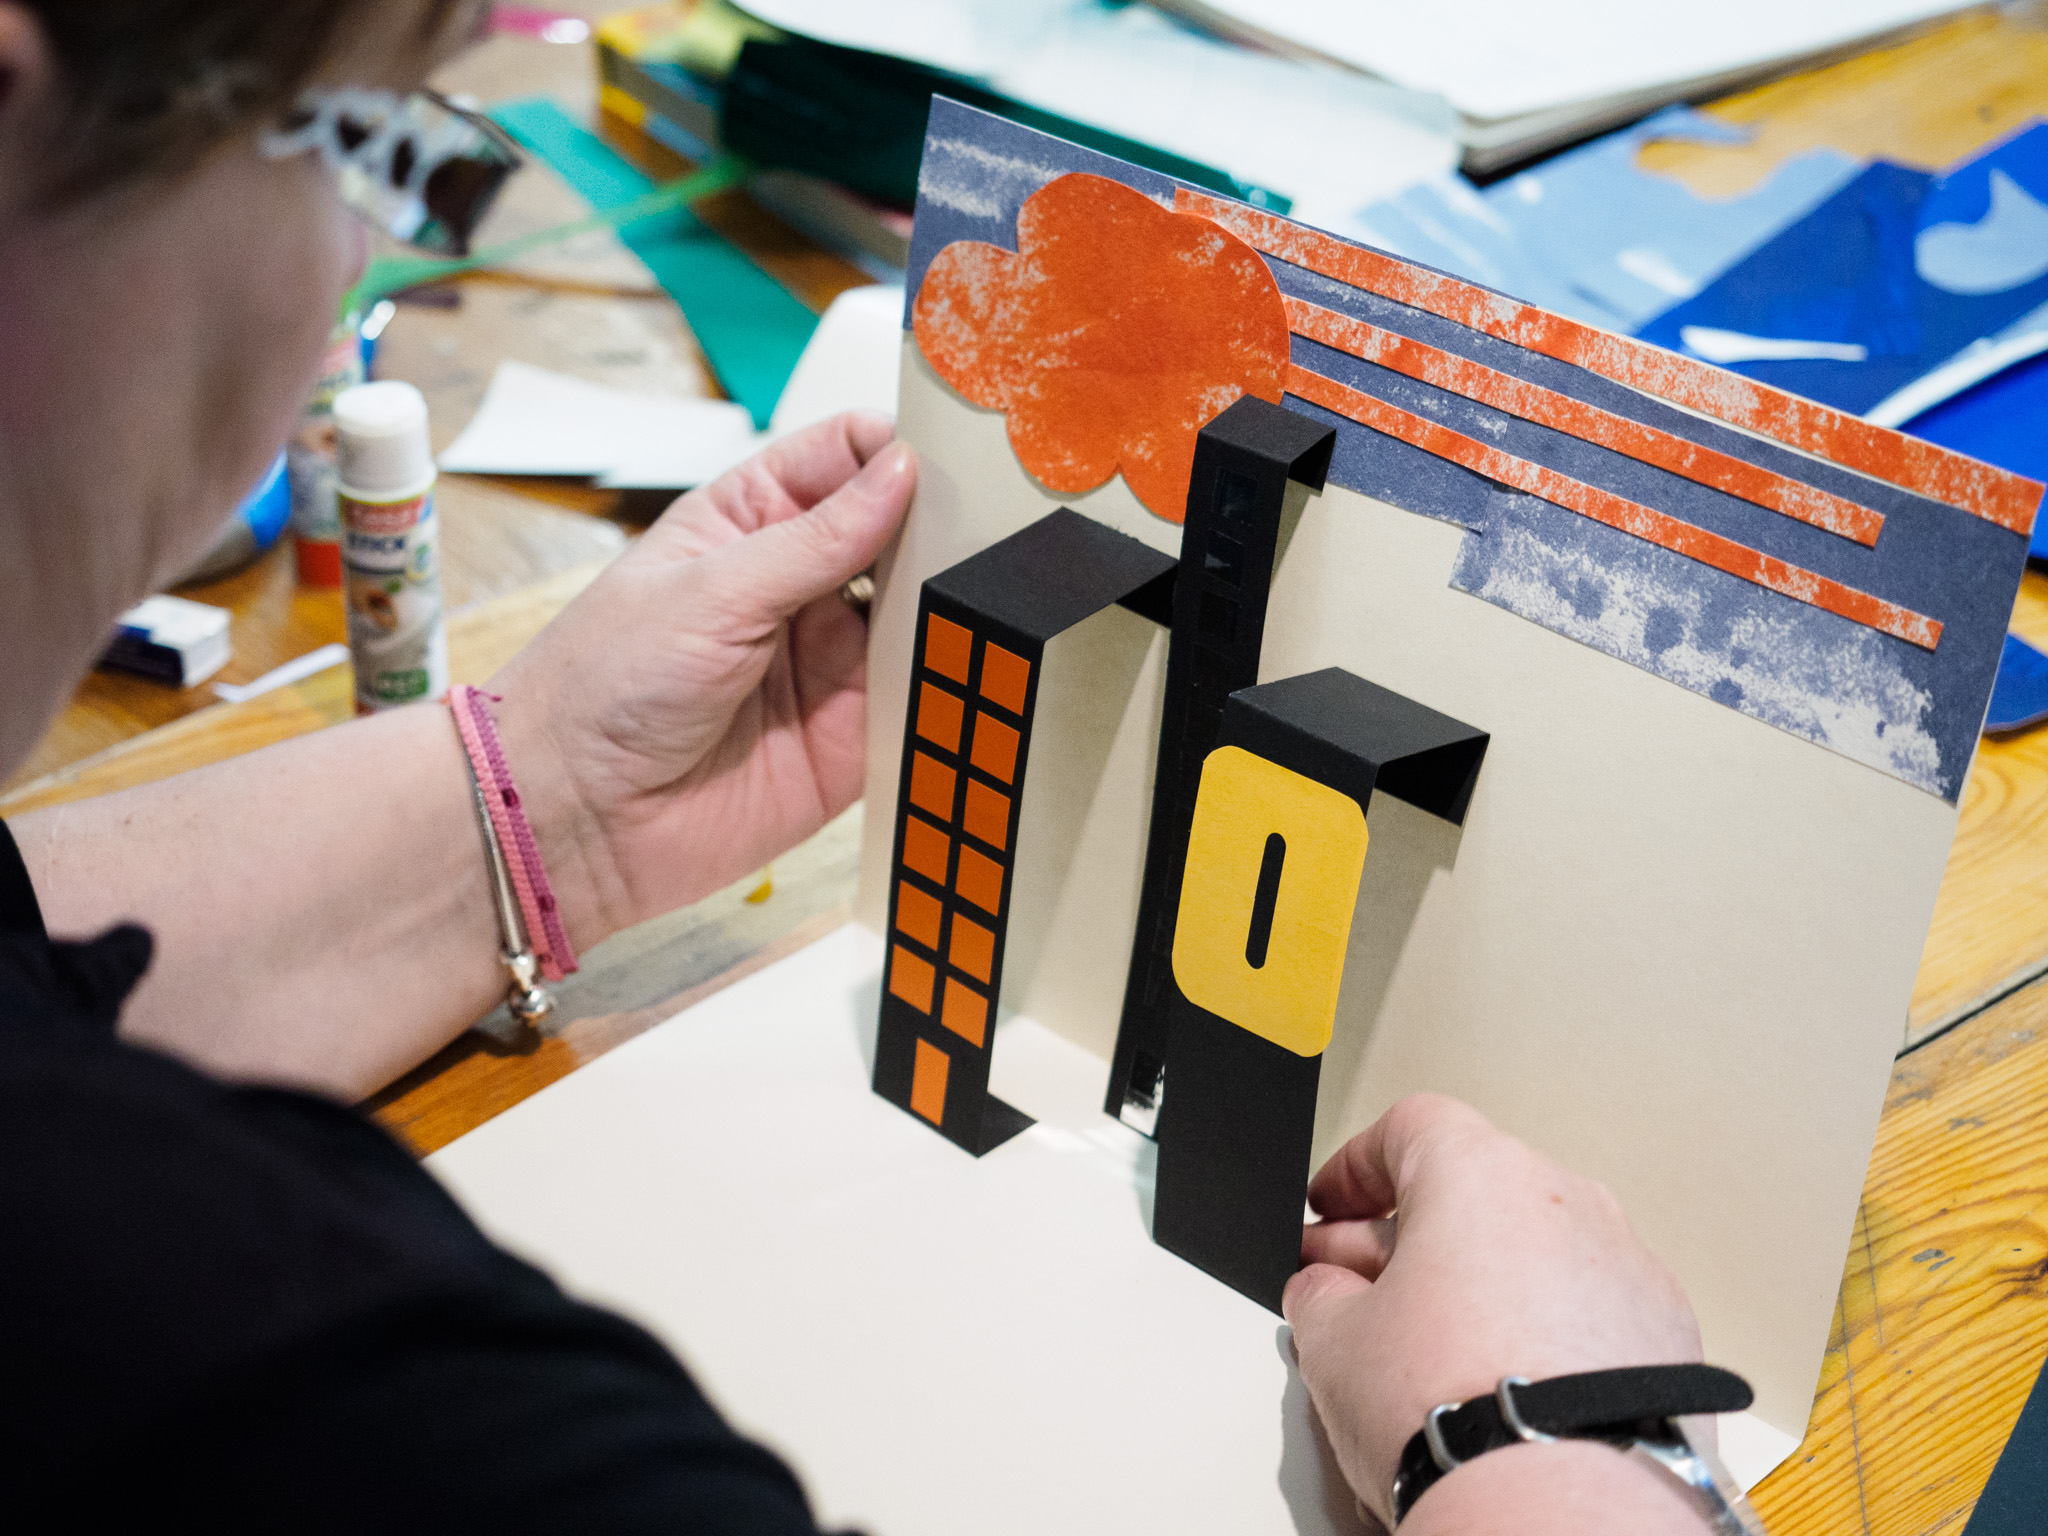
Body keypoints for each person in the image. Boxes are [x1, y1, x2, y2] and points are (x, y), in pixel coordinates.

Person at [0, 3, 1725, 1531]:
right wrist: (1555, 1457)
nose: (356, 272)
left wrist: (546, 802)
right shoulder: (359, 1403)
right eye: (383, 142)